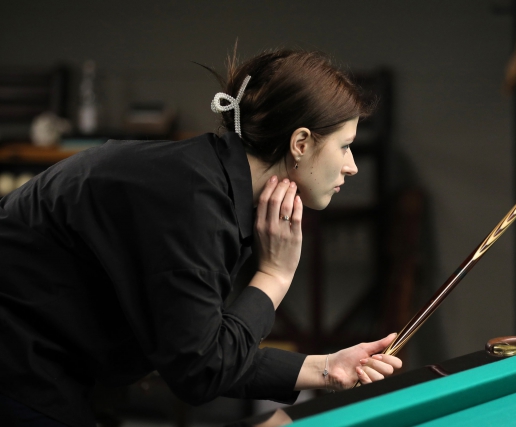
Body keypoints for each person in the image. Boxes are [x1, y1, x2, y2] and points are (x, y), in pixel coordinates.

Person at [0, 49, 402, 427]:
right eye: (344, 146)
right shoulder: (194, 202)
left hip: (51, 369)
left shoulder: (214, 184)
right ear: (301, 143)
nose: (351, 166)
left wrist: (328, 368)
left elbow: (204, 348)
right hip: (19, 365)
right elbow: (200, 371)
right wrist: (275, 275)